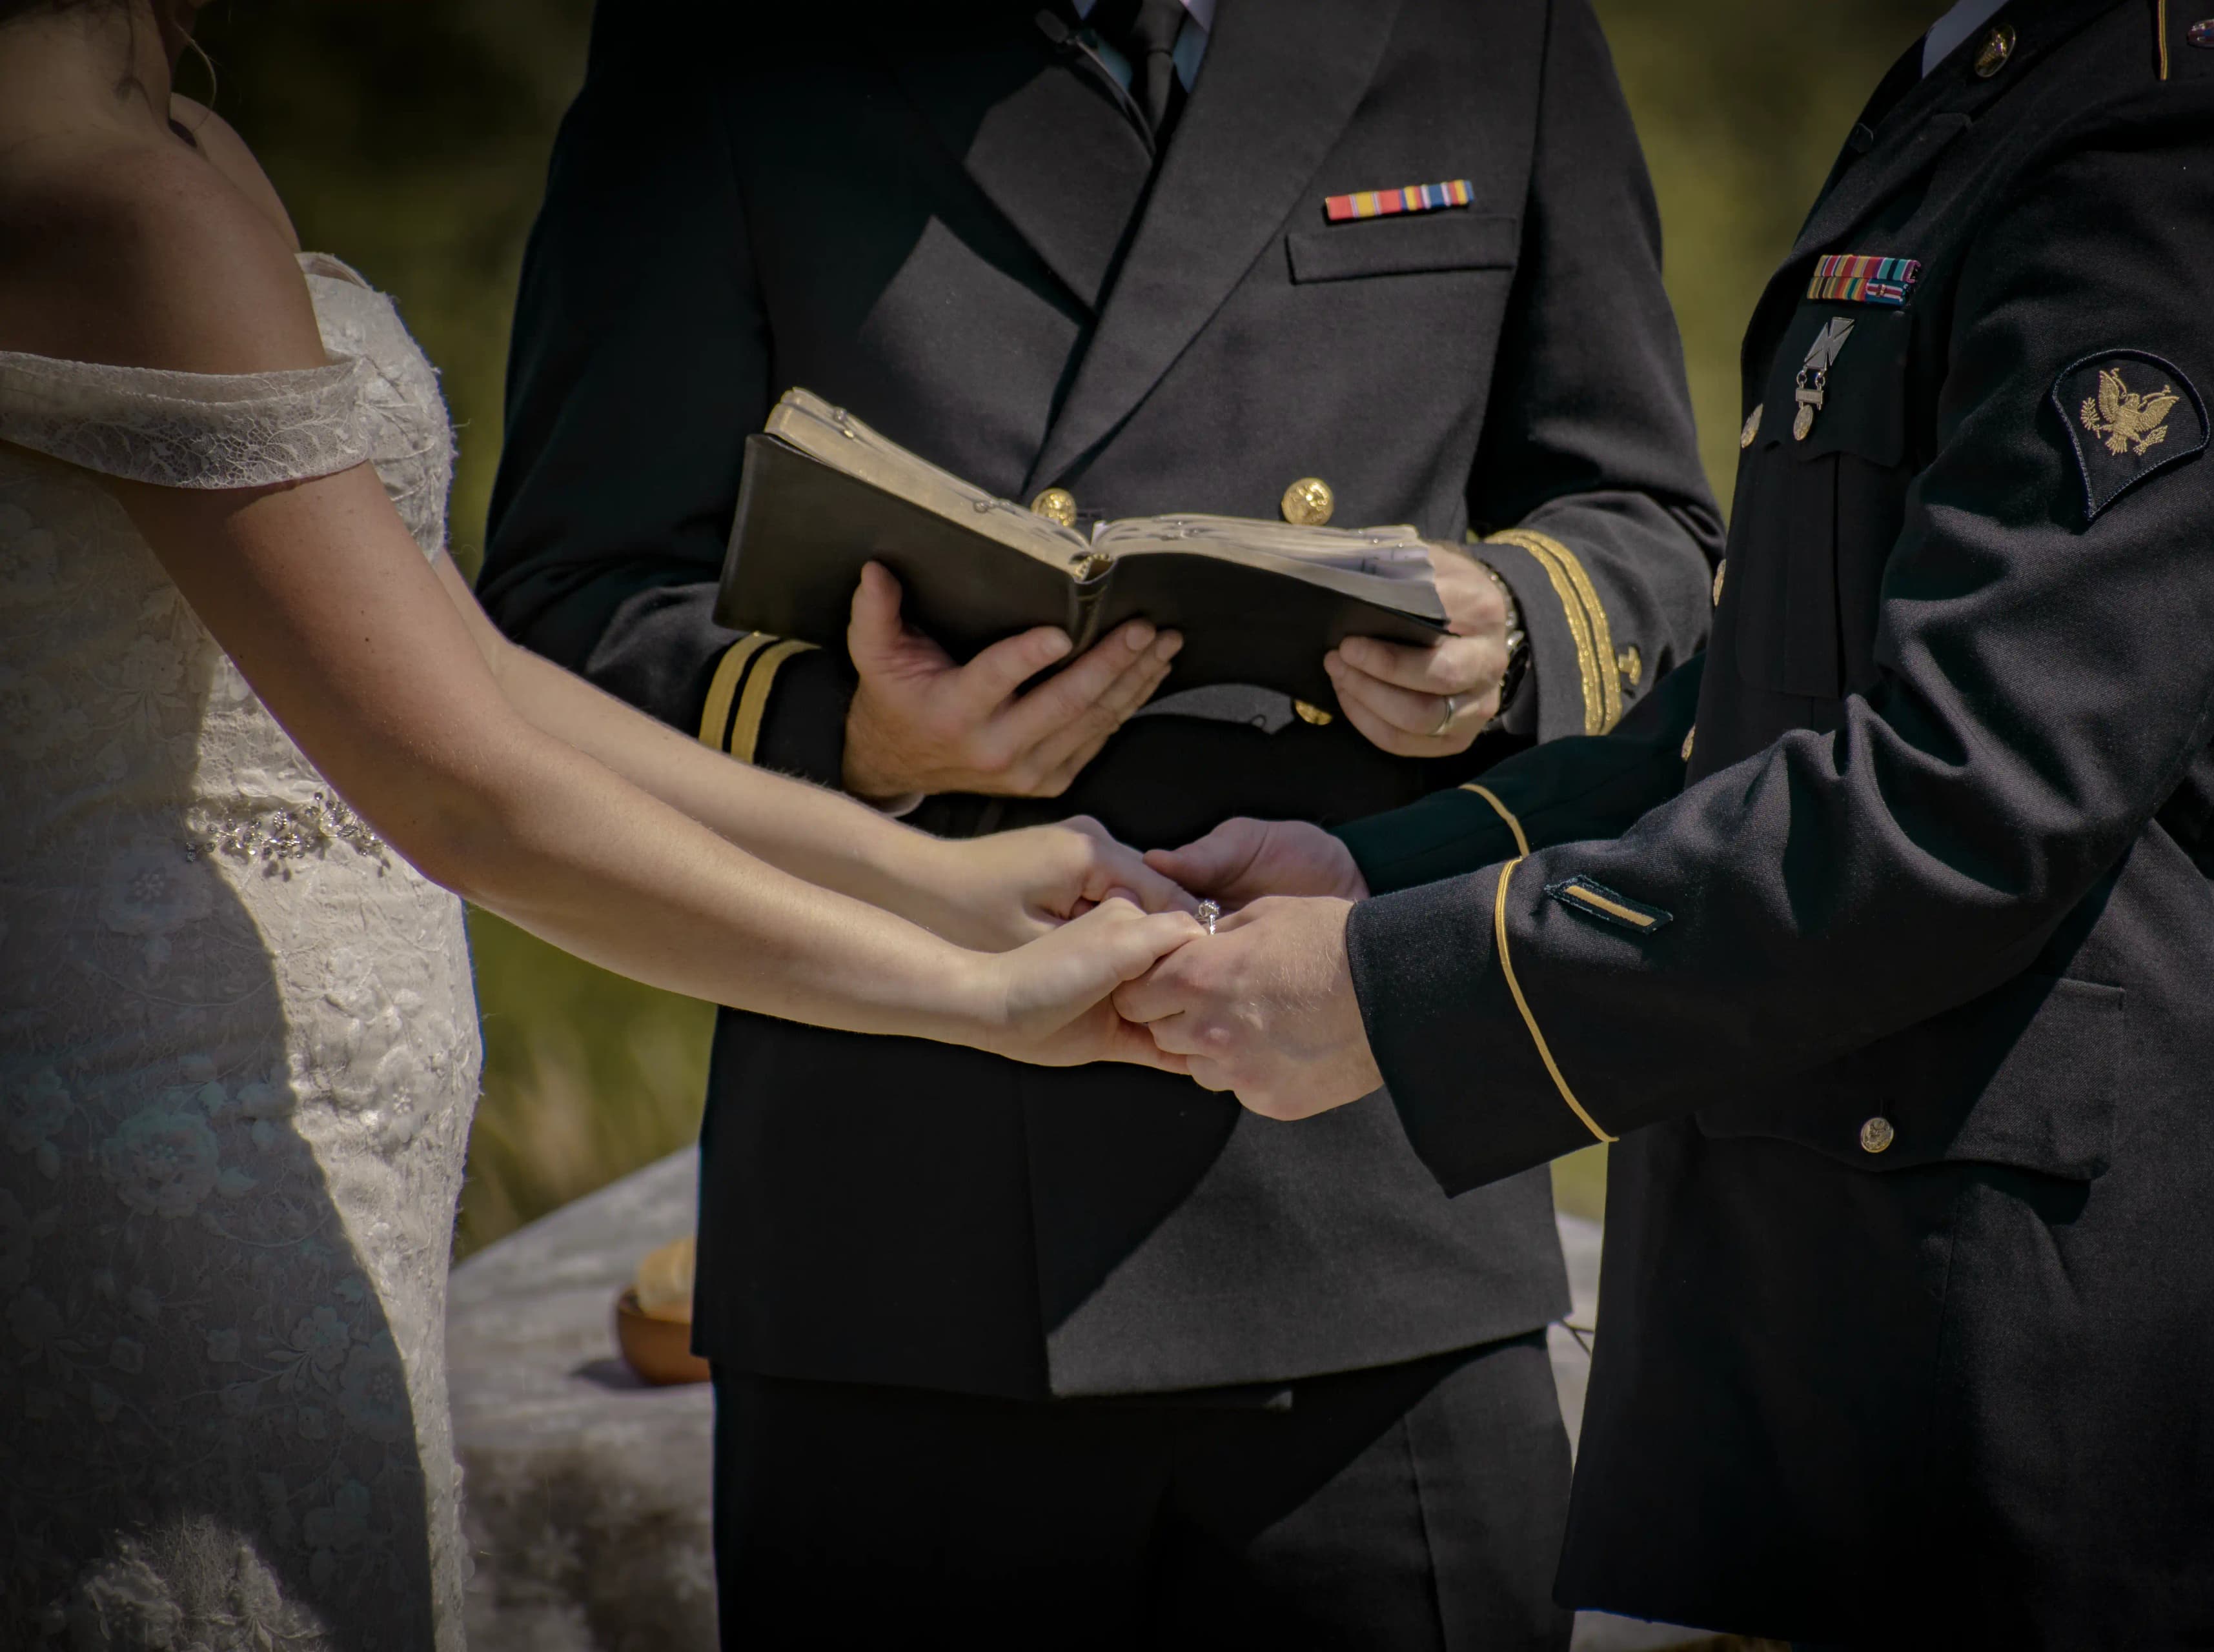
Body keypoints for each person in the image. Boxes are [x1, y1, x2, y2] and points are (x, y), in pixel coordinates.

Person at [1122, 0, 2214, 1642]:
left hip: (2066, 1412)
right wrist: (1375, 874)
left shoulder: (2190, 134)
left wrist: (1397, 985)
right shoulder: (1996, 77)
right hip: (1831, 1363)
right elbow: (1779, 689)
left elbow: (1973, 789)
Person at [480, 0, 1723, 1641]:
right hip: (908, 1226)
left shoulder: (1490, 26)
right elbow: (558, 613)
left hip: (1376, 1205)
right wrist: (850, 734)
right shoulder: (725, 38)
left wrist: (1513, 630)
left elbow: (1651, 526)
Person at [0, 1, 1204, 1642]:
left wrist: (937, 875)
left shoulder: (185, 145)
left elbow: (473, 674)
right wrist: (974, 997)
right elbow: (461, 794)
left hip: (294, 1155)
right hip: (162, 1161)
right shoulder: (123, 204)